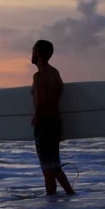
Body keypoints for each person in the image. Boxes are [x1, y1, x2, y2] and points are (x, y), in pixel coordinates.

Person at [31, 40, 75, 196]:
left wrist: (36, 119)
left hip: (44, 124)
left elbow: (40, 102)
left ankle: (50, 204)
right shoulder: (55, 72)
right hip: (56, 122)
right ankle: (70, 194)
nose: (32, 52)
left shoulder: (39, 76)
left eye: (33, 50)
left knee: (47, 168)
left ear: (37, 53)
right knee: (54, 165)